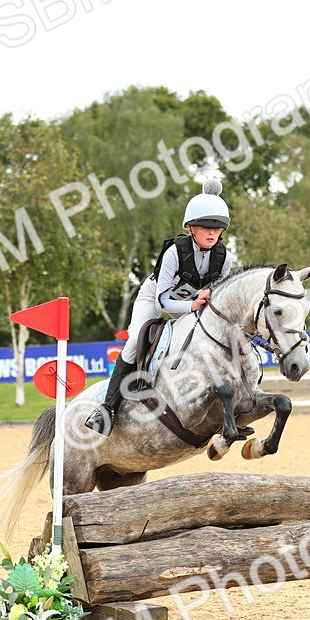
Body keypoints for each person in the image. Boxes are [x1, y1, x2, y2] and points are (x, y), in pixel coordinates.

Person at [85, 178, 235, 435]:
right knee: (135, 341)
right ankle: (105, 408)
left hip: (192, 303)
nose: (212, 233)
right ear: (190, 228)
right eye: (205, 227)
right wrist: (191, 306)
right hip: (156, 297)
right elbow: (162, 301)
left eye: (218, 228)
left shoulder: (225, 258)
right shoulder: (174, 253)